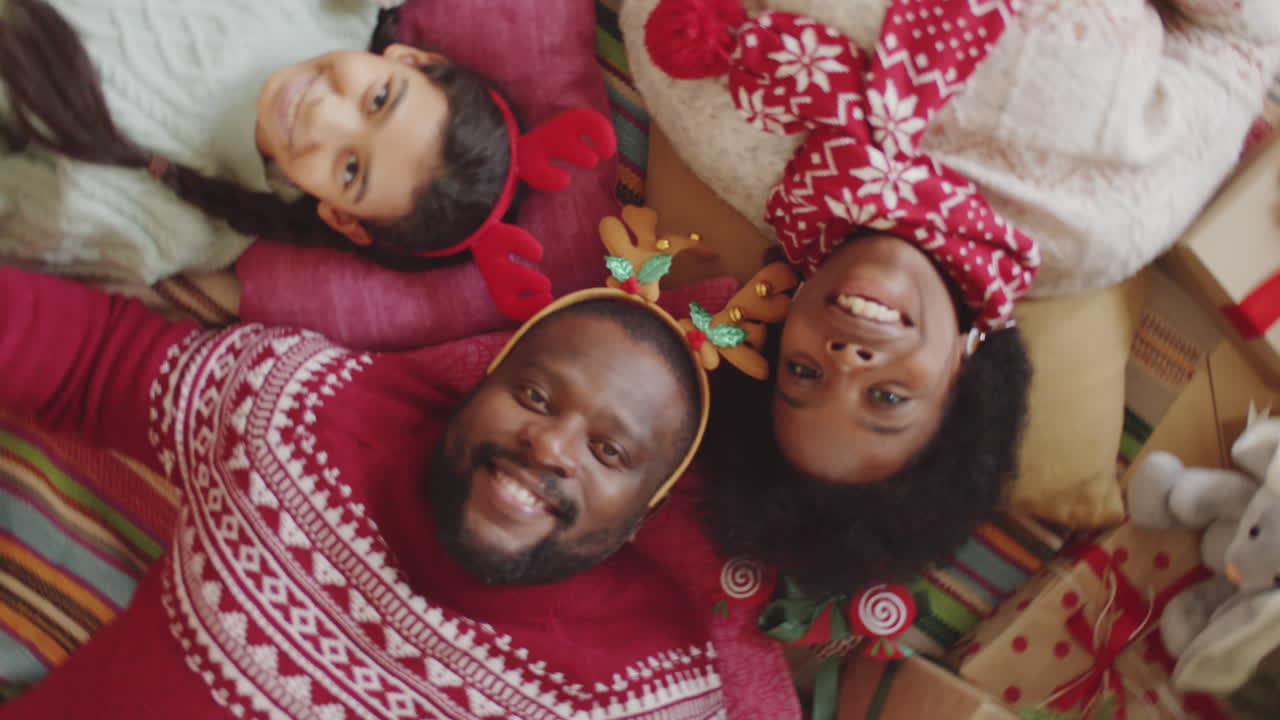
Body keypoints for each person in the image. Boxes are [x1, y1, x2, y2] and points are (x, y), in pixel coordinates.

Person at [0, 217, 803, 717]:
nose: (551, 447)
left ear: (638, 516)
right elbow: (91, 362)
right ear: (475, 386)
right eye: (533, 394)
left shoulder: (643, 692)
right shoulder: (299, 408)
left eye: (610, 451)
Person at [616, 0, 1275, 595]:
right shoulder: (1105, 230)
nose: (846, 359)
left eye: (804, 372)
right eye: (888, 398)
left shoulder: (727, 126)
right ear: (963, 373)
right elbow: (1245, 39)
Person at [0, 0, 513, 285]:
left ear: (340, 217)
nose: (323, 114)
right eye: (379, 99)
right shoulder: (340, 8)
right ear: (410, 60)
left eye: (351, 170)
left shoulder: (165, 229)